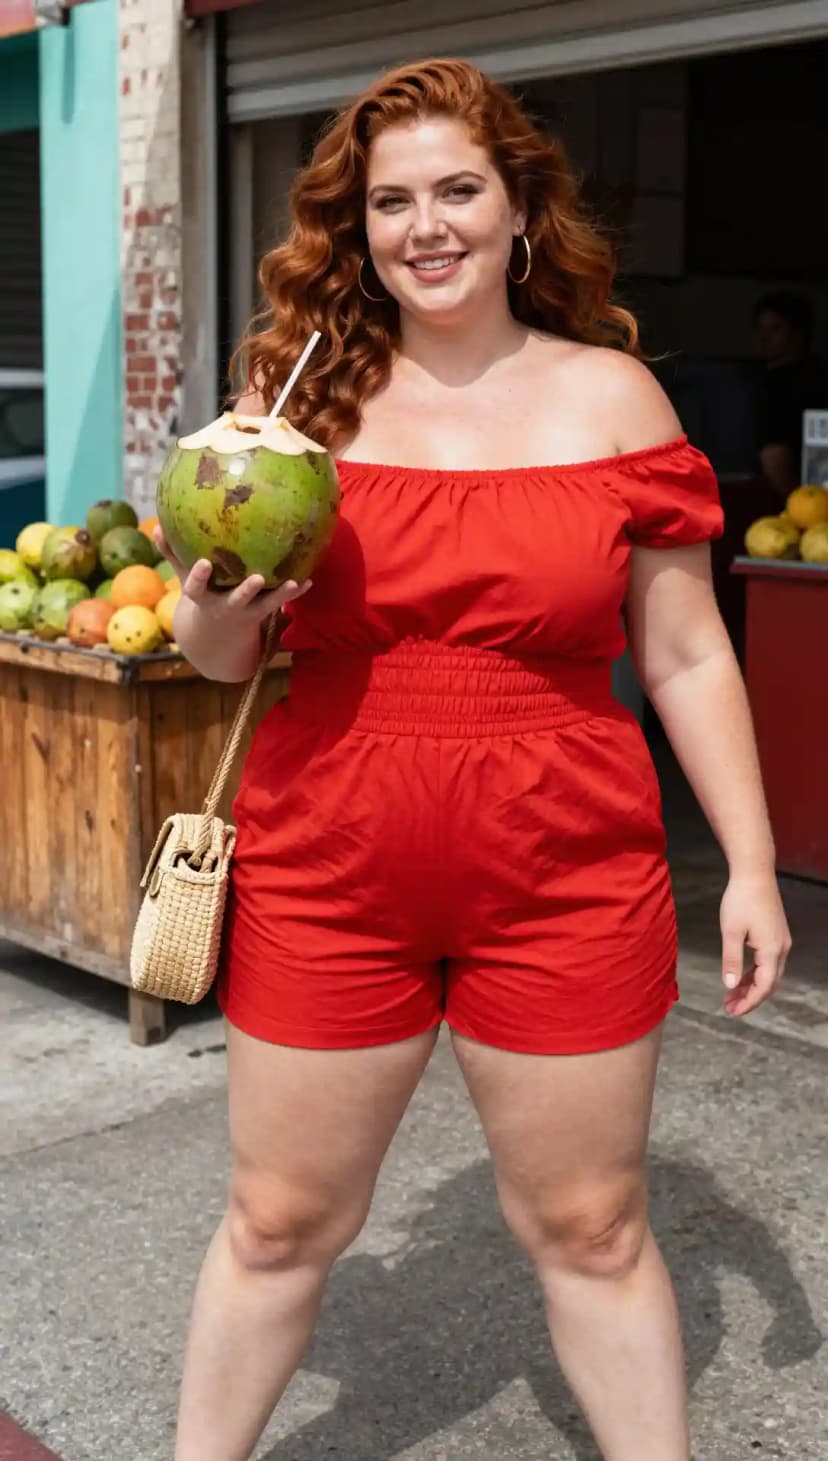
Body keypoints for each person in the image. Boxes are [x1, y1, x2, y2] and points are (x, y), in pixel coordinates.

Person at [157, 58, 791, 1461]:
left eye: (458, 190)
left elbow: (687, 654)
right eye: (392, 202)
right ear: (358, 227)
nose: (426, 226)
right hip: (330, 863)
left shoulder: (617, 397)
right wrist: (215, 606)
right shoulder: (292, 400)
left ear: (518, 210)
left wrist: (749, 864)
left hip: (568, 868)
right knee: (277, 1222)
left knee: (595, 1225)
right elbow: (220, 661)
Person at [753, 290, 828, 497]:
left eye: (776, 328)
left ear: (798, 333)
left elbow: (775, 460)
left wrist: (800, 502)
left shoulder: (783, 384)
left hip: (794, 499)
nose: (764, 337)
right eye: (760, 328)